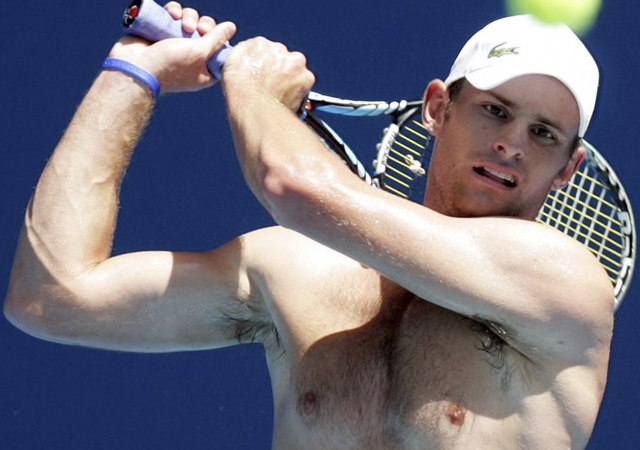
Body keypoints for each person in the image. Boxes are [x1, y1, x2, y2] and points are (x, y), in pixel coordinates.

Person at [4, 2, 614, 449]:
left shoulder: (565, 283)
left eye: (543, 133)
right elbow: (50, 297)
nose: (512, 143)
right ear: (437, 108)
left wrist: (253, 89)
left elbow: (290, 185)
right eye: (495, 110)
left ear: (568, 168)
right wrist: (134, 70)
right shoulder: (294, 270)